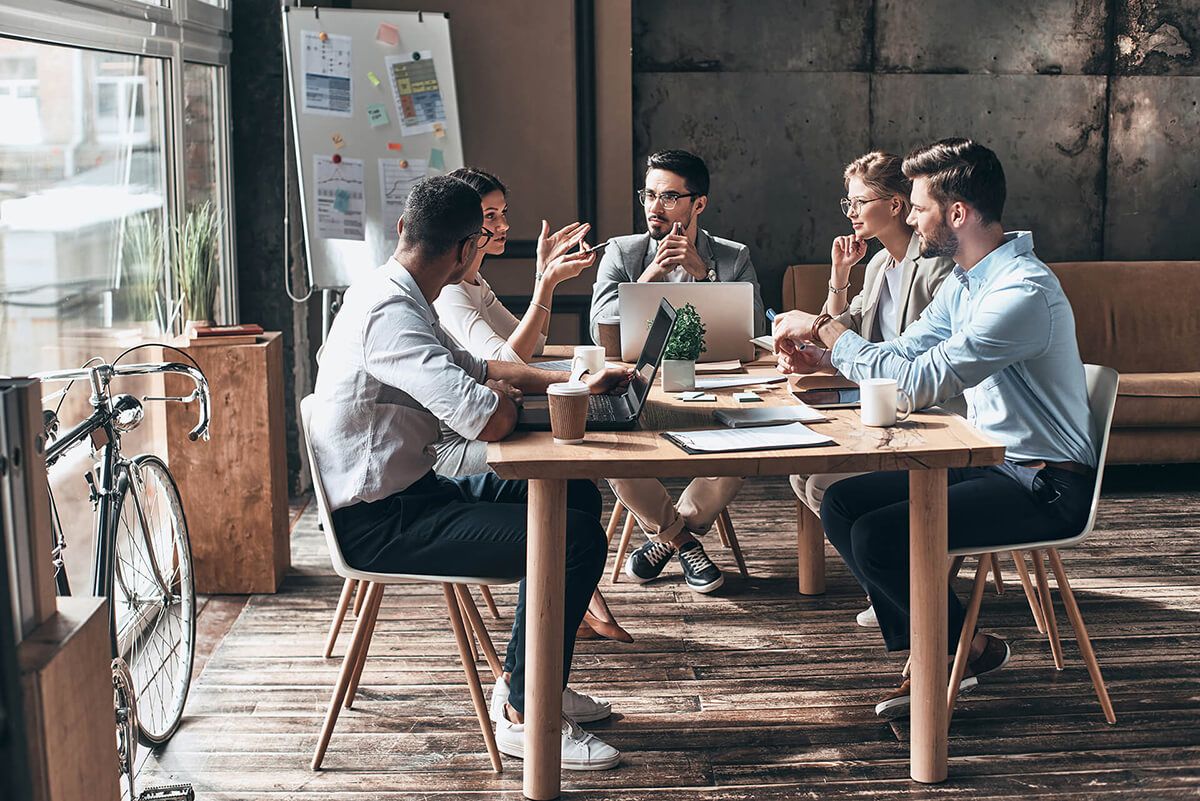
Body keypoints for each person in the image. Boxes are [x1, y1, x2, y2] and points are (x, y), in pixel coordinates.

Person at [308, 175, 631, 769]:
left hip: (414, 494)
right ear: (464, 250)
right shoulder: (390, 313)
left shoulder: (399, 291)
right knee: (574, 537)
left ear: (404, 229)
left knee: (576, 496)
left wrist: (575, 381)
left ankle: (530, 683)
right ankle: (524, 715)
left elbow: (484, 367)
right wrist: (507, 400)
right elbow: (488, 419)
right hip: (381, 524)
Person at [772, 138, 1096, 719]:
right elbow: (901, 353)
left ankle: (940, 657)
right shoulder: (965, 282)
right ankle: (958, 647)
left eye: (919, 207)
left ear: (957, 214)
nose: (913, 219)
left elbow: (922, 381)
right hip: (987, 460)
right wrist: (826, 360)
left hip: (1044, 482)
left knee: (879, 537)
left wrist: (824, 329)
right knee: (844, 504)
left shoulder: (1020, 291)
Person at [432, 166, 633, 645]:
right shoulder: (451, 293)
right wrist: (544, 283)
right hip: (451, 446)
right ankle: (570, 605)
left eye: (503, 214)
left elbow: (530, 342)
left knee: (576, 476)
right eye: (489, 217)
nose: (502, 226)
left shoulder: (475, 283)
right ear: (463, 225)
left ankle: (569, 602)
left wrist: (545, 282)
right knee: (564, 468)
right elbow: (503, 358)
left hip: (480, 424)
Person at [786, 151, 956, 628]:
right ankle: (889, 589)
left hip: (924, 411)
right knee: (802, 476)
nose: (852, 212)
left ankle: (897, 590)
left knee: (822, 482)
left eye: (860, 201)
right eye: (849, 203)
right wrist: (838, 279)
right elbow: (847, 326)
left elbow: (906, 352)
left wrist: (825, 338)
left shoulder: (936, 268)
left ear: (898, 205)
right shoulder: (882, 262)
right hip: (879, 400)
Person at [588, 149, 764, 594]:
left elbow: (755, 329)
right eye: (648, 195)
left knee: (747, 446)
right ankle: (682, 542)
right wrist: (651, 273)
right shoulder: (623, 253)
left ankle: (666, 540)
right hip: (640, 384)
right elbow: (599, 326)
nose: (653, 207)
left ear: (698, 204)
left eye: (668, 197)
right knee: (611, 449)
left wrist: (703, 274)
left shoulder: (731, 256)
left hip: (714, 384)